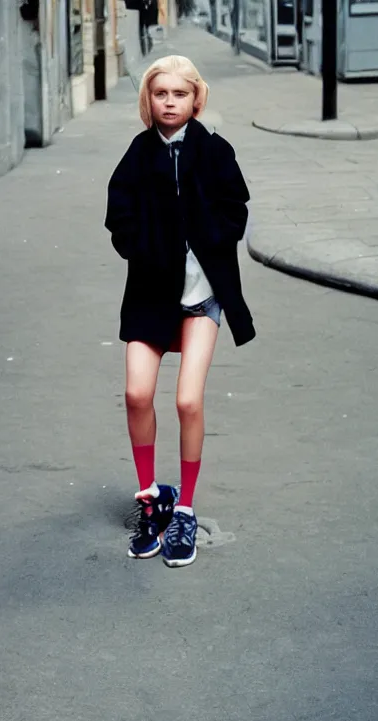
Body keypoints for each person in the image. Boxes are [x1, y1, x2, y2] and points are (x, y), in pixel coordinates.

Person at [105, 55, 255, 568]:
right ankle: (152, 498)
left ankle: (185, 508)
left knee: (188, 401)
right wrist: (142, 248)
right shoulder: (138, 153)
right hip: (150, 292)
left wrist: (210, 238)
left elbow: (237, 207)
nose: (169, 103)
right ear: (148, 100)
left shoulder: (214, 151)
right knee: (136, 392)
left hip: (202, 295)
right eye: (160, 94)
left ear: (197, 99)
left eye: (180, 94)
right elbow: (117, 213)